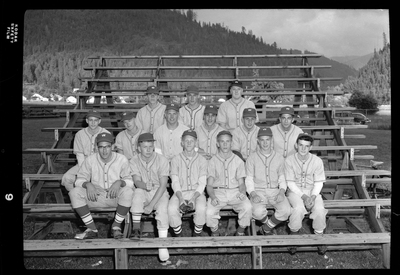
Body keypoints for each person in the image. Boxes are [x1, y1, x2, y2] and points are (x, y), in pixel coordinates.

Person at [69, 132, 134, 240]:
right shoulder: (90, 159)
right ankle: (91, 229)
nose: (104, 150)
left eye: (108, 146)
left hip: (115, 196)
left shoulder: (122, 159)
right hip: (95, 196)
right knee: (74, 192)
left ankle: (116, 226)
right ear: (96, 148)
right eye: (101, 147)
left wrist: (119, 182)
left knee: (128, 191)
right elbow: (78, 180)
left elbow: (130, 182)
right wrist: (88, 184)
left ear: (113, 147)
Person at [129, 132, 171, 264]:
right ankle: (136, 229)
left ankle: (162, 245)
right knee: (137, 194)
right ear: (138, 148)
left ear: (154, 146)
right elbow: (136, 181)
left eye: (150, 146)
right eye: (144, 147)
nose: (148, 150)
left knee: (163, 209)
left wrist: (151, 205)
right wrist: (144, 185)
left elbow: (163, 185)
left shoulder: (162, 160)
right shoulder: (134, 160)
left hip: (159, 191)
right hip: (144, 189)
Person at [245, 127, 291, 235]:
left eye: (268, 139)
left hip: (275, 191)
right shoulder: (251, 158)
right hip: (258, 191)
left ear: (272, 140)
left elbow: (282, 178)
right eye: (262, 140)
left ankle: (265, 228)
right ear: (258, 141)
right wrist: (252, 194)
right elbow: (249, 179)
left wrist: (281, 192)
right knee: (256, 212)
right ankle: (269, 227)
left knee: (286, 211)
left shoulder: (279, 157)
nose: (265, 143)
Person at [206, 130, 252, 237]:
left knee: (247, 207)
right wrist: (212, 197)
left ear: (232, 143)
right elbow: (209, 185)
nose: (225, 144)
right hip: (218, 192)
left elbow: (241, 183)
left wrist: (242, 192)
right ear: (217, 144)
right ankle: (215, 232)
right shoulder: (212, 161)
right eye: (222, 141)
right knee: (209, 213)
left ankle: (240, 231)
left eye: (228, 141)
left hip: (235, 191)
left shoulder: (238, 160)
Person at [284, 133, 327, 235]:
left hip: (312, 191)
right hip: (295, 191)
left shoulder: (317, 161)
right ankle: (294, 233)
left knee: (320, 210)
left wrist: (312, 197)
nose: (303, 149)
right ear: (296, 145)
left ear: (311, 147)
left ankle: (319, 236)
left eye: (306, 146)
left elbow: (319, 182)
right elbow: (290, 183)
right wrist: (304, 197)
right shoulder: (289, 160)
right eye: (300, 145)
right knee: (298, 209)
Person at [168, 130, 208, 241]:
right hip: (180, 192)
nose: (189, 143)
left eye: (192, 141)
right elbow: (175, 181)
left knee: (201, 208)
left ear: (196, 142)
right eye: (186, 141)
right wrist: (181, 198)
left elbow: (202, 183)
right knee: (171, 209)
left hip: (197, 192)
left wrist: (193, 199)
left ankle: (196, 235)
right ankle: (178, 235)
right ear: (182, 142)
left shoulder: (202, 160)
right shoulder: (175, 159)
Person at [61, 110, 110, 191]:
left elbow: (107, 155)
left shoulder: (105, 133)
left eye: (95, 120)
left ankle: (95, 199)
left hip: (101, 164)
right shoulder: (79, 134)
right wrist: (84, 171)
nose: (93, 123)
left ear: (99, 121)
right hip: (83, 163)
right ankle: (79, 198)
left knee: (100, 183)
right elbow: (79, 155)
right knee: (67, 179)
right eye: (91, 120)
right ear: (87, 120)